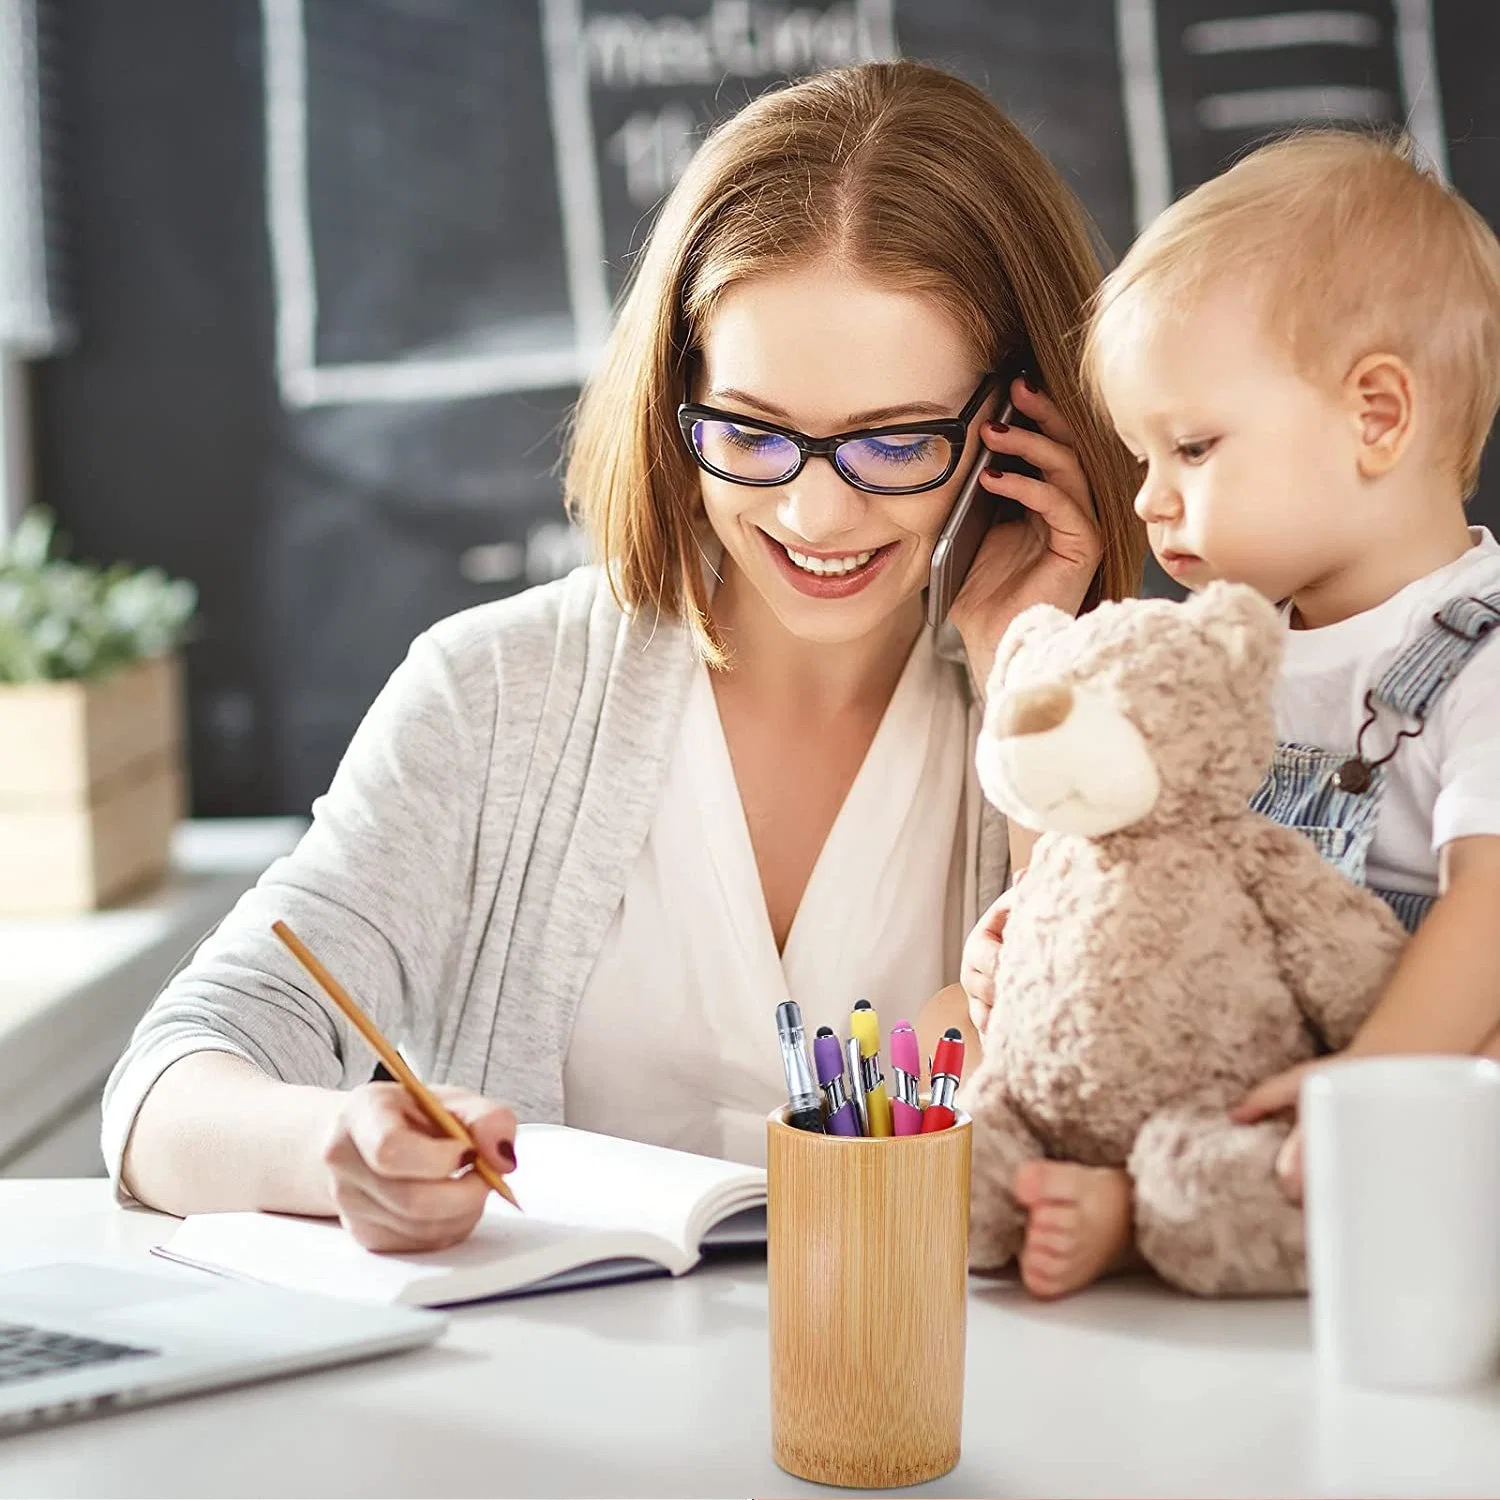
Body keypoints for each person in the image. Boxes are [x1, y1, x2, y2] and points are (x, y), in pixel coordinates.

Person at [104, 60, 1142, 1254]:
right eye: (751, 432)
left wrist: (1033, 668)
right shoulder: (496, 694)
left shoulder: (1103, 719)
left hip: (922, 1416)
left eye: (894, 443)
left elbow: (1112, 1117)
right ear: (676, 399)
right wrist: (335, 1148)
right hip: (554, 1421)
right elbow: (166, 1093)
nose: (814, 518)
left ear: (1016, 428)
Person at [963, 128, 1500, 1298]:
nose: (1151, 500)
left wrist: (1370, 1085)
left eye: (1192, 447)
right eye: (1143, 455)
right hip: (1246, 1064)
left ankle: (1155, 1215)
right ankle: (1145, 1197)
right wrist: (1047, 918)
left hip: (1406, 1068)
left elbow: (1489, 914)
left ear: (1377, 417)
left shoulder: (1480, 654)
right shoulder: (1226, 653)